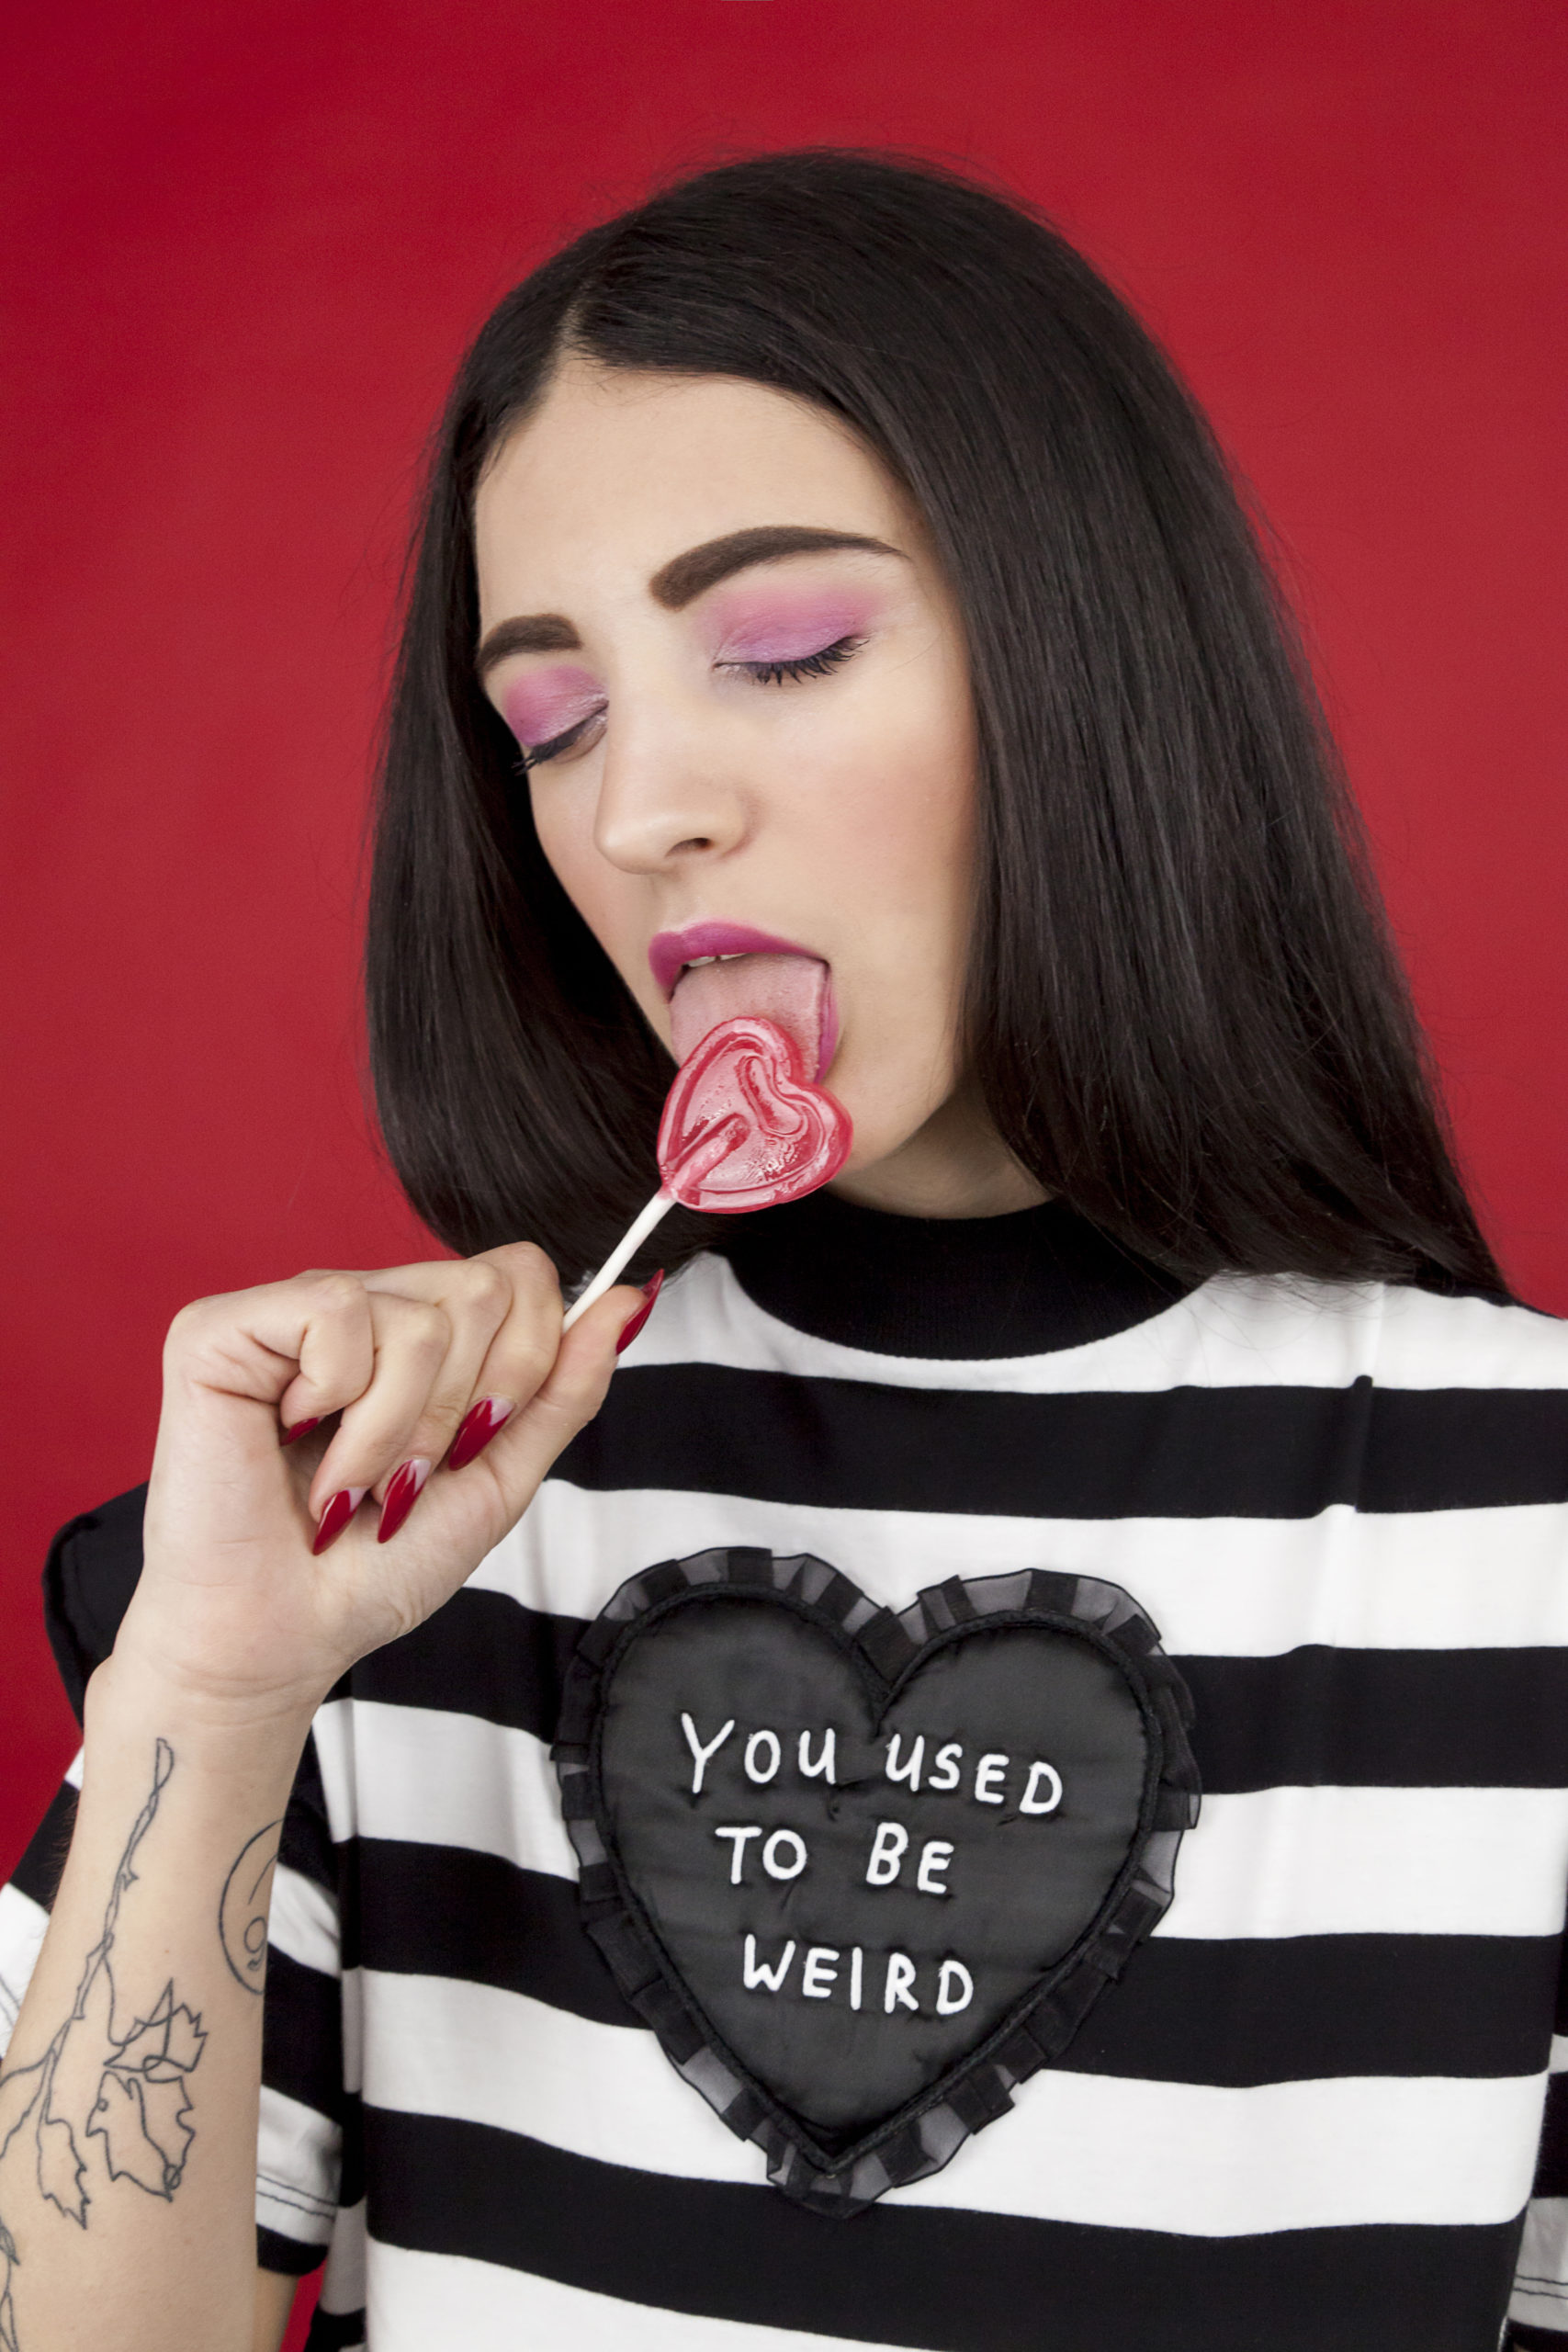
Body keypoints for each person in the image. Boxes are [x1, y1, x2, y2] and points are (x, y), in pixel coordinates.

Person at [0, 146, 1563, 2352]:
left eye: (783, 645)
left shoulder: (1528, 1531)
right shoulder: (389, 1537)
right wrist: (214, 1688)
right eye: (552, 719)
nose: (640, 808)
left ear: (1085, 652)